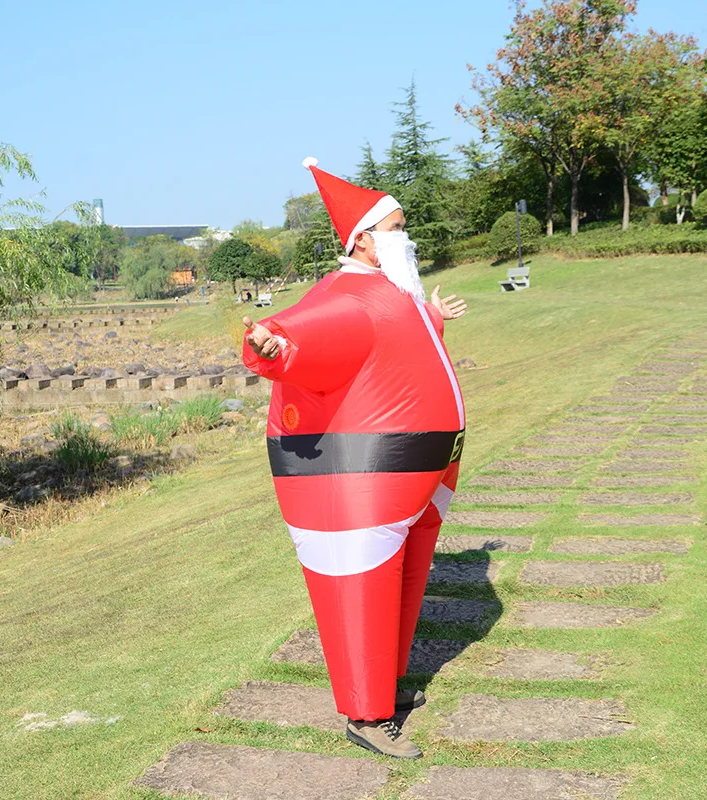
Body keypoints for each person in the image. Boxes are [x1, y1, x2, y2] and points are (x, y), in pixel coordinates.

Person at [242, 157, 467, 759]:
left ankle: (386, 687)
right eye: (396, 227)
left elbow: (404, 348)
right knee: (361, 582)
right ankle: (366, 716)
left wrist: (436, 319)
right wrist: (272, 345)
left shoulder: (390, 292)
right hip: (355, 470)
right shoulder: (348, 298)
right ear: (363, 239)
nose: (406, 236)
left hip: (417, 464)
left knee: (404, 576)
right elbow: (305, 333)